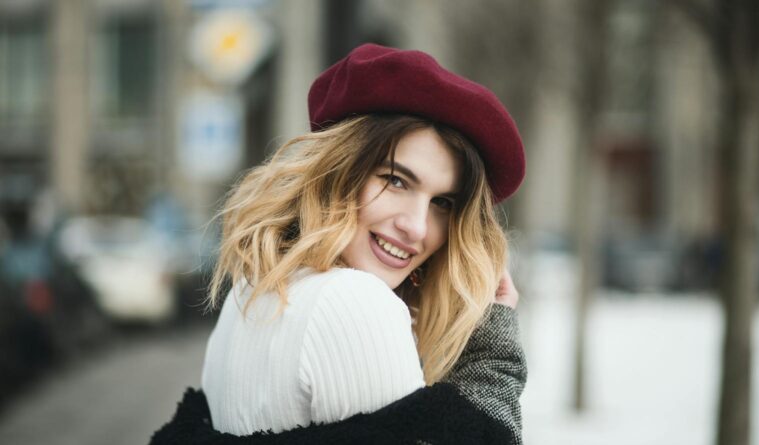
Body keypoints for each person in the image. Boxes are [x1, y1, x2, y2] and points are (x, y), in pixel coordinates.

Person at [151, 43, 527, 444]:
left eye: (442, 203)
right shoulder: (356, 301)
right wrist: (492, 359)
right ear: (338, 171)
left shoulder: (250, 292)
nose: (416, 227)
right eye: (395, 180)